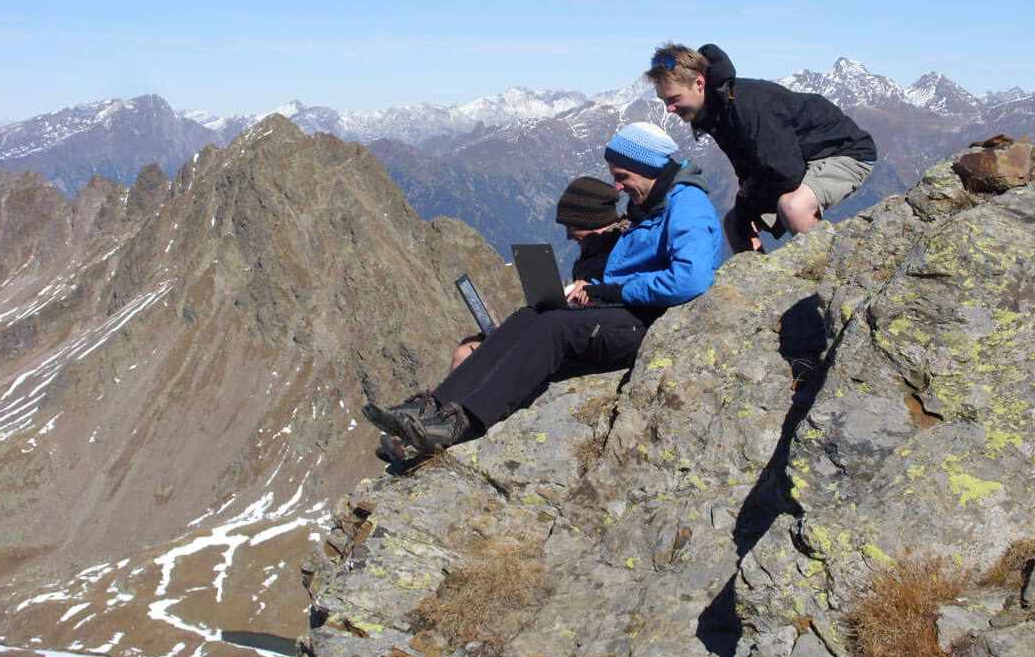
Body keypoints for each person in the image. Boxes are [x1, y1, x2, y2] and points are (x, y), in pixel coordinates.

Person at [364, 122, 721, 460]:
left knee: (554, 328)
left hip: (648, 324)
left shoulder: (688, 205)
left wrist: (609, 291)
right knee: (531, 315)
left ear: (648, 167)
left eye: (622, 177)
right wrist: (593, 289)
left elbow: (690, 278)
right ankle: (433, 406)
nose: (617, 188)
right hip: (623, 311)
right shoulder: (651, 204)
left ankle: (463, 421)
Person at [647, 42, 877, 254]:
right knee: (734, 224)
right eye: (664, 100)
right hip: (798, 161)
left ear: (699, 83)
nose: (669, 108)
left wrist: (755, 201)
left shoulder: (747, 105)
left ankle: (830, 275)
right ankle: (759, 285)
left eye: (674, 99)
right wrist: (747, 204)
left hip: (842, 152)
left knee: (794, 207)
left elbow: (787, 171)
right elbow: (751, 167)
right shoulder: (714, 112)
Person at [448, 176, 628, 370]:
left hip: (577, 338)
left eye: (572, 226)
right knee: (470, 345)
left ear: (590, 220)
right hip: (563, 329)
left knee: (467, 353)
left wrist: (594, 293)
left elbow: (609, 305)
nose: (568, 236)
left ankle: (452, 399)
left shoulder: (614, 253)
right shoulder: (595, 251)